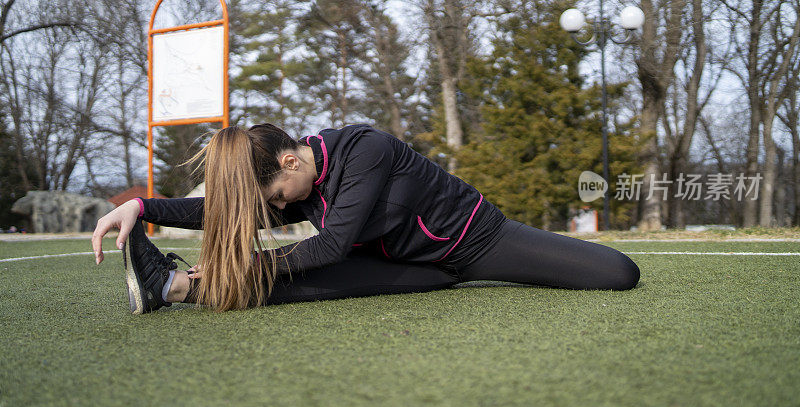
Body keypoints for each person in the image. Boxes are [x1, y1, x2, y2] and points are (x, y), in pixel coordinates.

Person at [92, 123, 640, 314]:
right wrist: (142, 207)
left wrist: (242, 260)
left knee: (619, 274)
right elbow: (221, 210)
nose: (277, 208)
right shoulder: (292, 184)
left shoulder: (365, 151)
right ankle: (173, 285)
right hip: (415, 268)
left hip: (476, 243)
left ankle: (193, 282)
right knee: (294, 278)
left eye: (277, 195)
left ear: (291, 159)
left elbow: (329, 246)